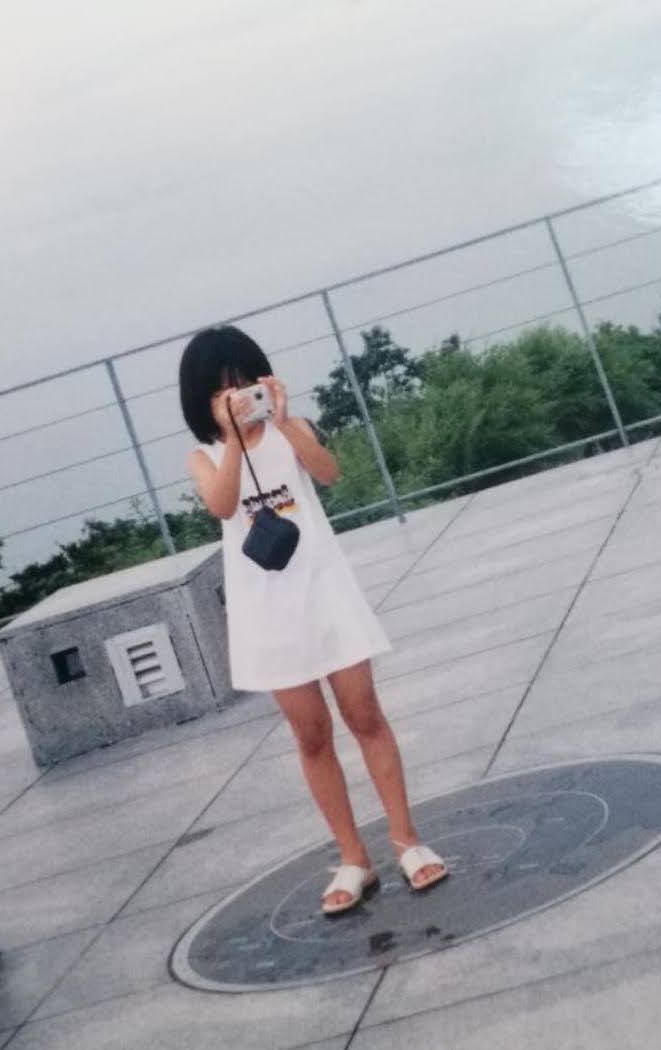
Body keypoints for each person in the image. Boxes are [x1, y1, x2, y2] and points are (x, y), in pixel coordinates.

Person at [179, 325, 447, 915]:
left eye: (244, 384)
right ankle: (353, 858)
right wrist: (235, 442)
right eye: (222, 391)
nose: (237, 397)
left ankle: (406, 839)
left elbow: (328, 474)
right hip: (267, 611)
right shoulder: (205, 457)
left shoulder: (290, 430)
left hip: (324, 593)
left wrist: (282, 423)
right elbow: (222, 504)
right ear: (202, 401)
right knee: (311, 734)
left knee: (364, 714)